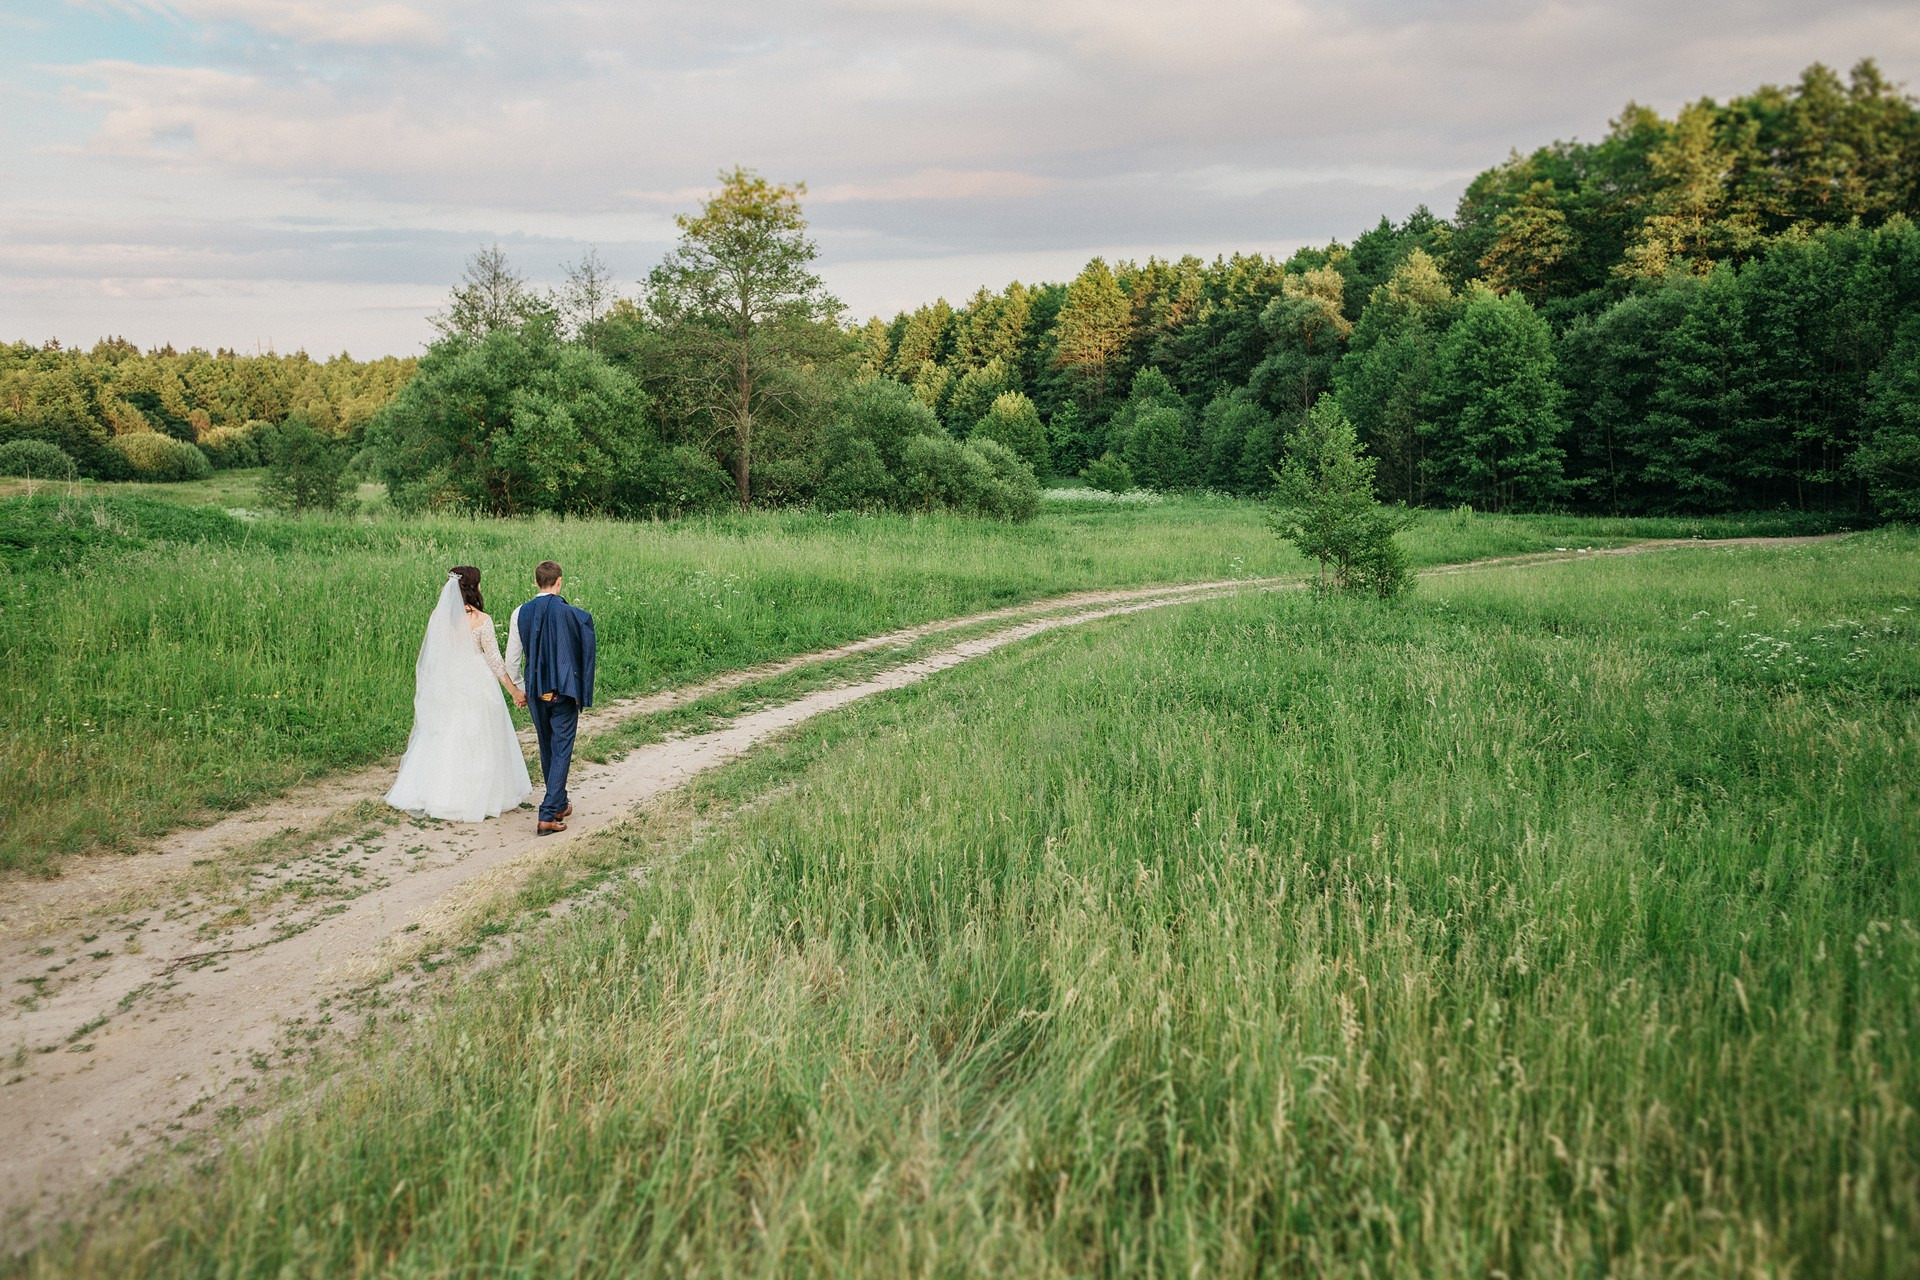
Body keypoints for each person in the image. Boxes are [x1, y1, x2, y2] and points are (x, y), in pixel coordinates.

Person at [385, 566, 533, 822]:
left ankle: (439, 794)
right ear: (473, 587)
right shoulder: (481, 620)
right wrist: (514, 691)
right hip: (476, 682)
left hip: (448, 681)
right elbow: (495, 661)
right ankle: (476, 796)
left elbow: (434, 655)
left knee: (447, 733)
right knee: (477, 736)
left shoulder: (439, 616)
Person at [505, 559, 595, 835]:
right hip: (563, 691)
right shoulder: (572, 614)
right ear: (559, 582)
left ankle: (559, 803)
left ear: (535, 582)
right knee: (561, 749)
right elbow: (583, 653)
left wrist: (520, 688)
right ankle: (547, 814)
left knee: (547, 746)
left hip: (535, 691)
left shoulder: (520, 612)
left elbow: (512, 660)